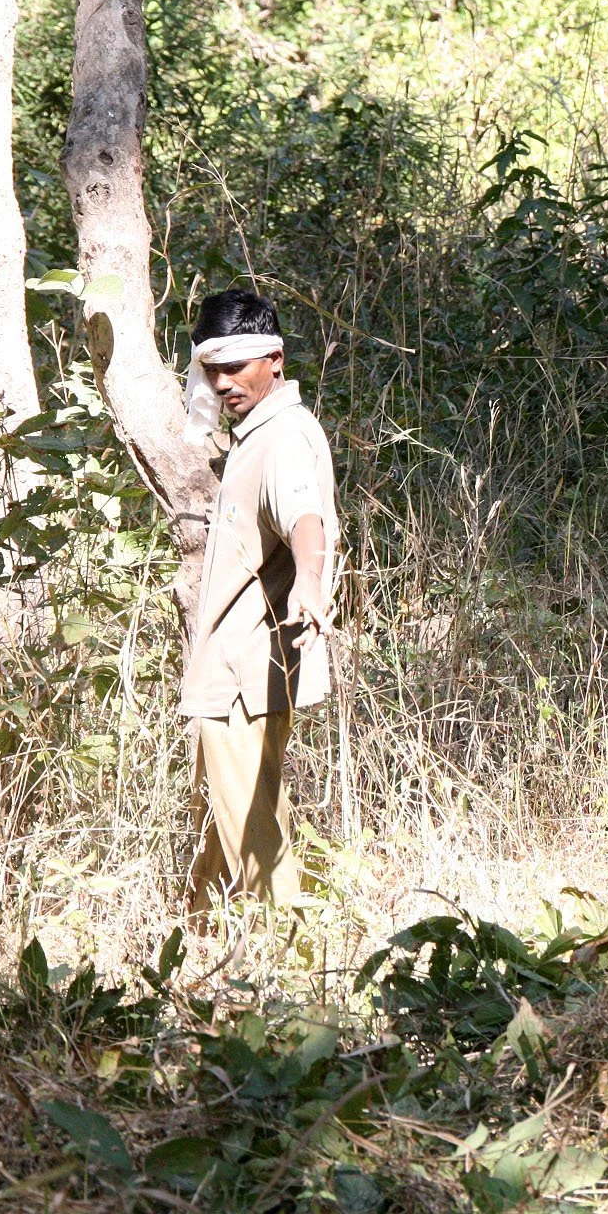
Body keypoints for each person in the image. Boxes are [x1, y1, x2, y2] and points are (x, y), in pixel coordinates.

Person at [178, 290, 339, 916]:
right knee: (224, 817)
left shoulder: (283, 437)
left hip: (248, 671)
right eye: (211, 370)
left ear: (274, 358)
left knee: (254, 832)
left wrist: (310, 580)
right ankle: (201, 945)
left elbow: (304, 515)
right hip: (232, 671)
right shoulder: (255, 435)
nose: (222, 383)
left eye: (235, 367)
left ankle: (285, 973)